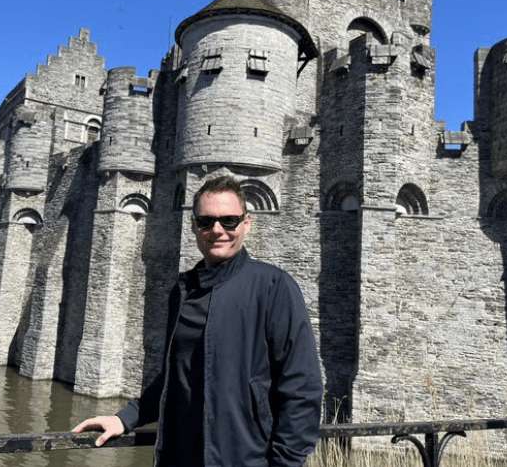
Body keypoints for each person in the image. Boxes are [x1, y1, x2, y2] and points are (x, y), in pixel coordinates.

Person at [73, 175, 322, 466]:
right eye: (206, 221)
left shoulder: (273, 286)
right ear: (194, 226)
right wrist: (125, 418)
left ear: (246, 224)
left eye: (229, 220)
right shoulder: (182, 291)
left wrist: (286, 463)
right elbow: (174, 377)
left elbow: (302, 387)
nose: (217, 230)